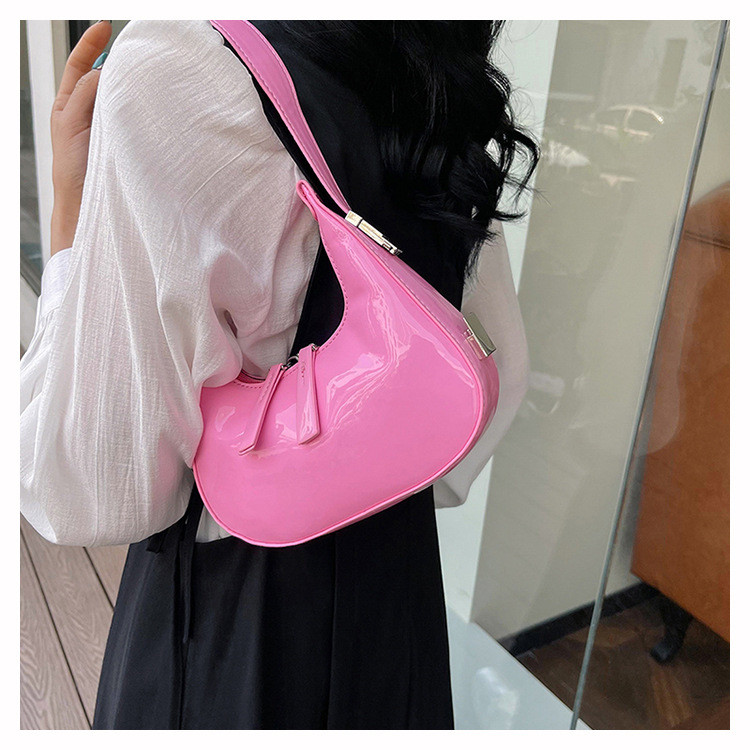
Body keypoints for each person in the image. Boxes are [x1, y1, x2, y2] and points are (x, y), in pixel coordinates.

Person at [20, 20, 538, 729]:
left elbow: (86, 488)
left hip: (237, 631)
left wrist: (69, 217)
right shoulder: (428, 47)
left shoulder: (178, 61)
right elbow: (497, 372)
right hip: (395, 600)